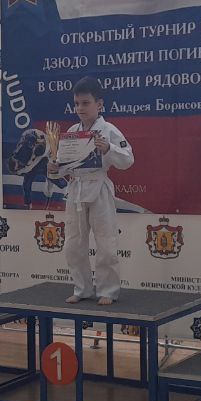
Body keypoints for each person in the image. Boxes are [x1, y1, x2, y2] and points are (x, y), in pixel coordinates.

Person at [49, 76, 134, 306]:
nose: (80, 108)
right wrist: (55, 168)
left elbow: (128, 159)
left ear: (100, 104)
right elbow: (64, 166)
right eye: (76, 103)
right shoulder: (72, 132)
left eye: (85, 103)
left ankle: (108, 290)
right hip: (76, 189)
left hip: (99, 189)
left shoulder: (108, 130)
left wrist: (108, 148)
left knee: (106, 243)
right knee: (73, 244)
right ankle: (82, 288)